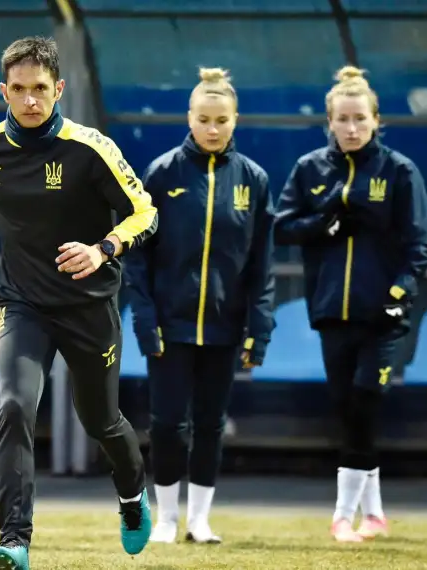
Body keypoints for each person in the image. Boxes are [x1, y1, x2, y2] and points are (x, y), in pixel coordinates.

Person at [0, 36, 157, 570]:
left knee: (101, 420)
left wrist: (103, 250)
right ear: (4, 90)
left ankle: (132, 496)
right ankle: (15, 540)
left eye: (40, 90)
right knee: (14, 406)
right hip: (22, 302)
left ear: (59, 89)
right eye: (19, 90)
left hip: (89, 307)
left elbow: (145, 212)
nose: (29, 101)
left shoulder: (89, 148)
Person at [273, 66, 427, 542]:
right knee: (349, 408)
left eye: (359, 119)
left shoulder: (399, 171)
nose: (351, 128)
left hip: (382, 315)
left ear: (376, 120)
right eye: (342, 119)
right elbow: (282, 226)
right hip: (330, 311)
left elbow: (421, 243)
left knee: (365, 400)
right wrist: (323, 223)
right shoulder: (310, 169)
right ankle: (375, 514)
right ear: (329, 121)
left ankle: (342, 517)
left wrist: (399, 293)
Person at [124, 67, 276, 545]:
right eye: (204, 119)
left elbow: (261, 263)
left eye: (222, 120)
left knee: (211, 424)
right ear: (188, 118)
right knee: (169, 425)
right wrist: (145, 320)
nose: (213, 129)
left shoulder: (254, 179)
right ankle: (166, 518)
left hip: (227, 328)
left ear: (236, 120)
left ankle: (200, 520)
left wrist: (260, 326)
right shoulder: (162, 173)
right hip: (170, 326)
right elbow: (138, 257)